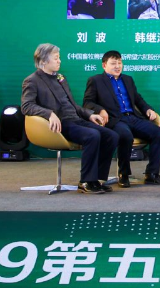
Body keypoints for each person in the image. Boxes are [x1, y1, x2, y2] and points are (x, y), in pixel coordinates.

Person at [20, 43, 117, 194]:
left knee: (111, 136)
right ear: (44, 61)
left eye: (59, 58)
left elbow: (72, 105)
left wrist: (90, 114)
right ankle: (86, 181)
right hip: (60, 123)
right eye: (56, 58)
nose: (59, 61)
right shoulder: (32, 80)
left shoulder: (61, 78)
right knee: (92, 135)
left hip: (76, 119)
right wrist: (49, 114)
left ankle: (97, 179)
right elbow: (26, 106)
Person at [83, 50, 160, 186]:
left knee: (158, 133)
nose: (117, 66)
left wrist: (148, 109)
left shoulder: (128, 79)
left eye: (119, 63)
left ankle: (152, 173)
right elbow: (87, 102)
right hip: (115, 120)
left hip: (133, 117)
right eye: (113, 63)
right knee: (126, 136)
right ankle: (124, 173)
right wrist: (100, 110)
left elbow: (138, 99)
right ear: (104, 65)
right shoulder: (96, 80)